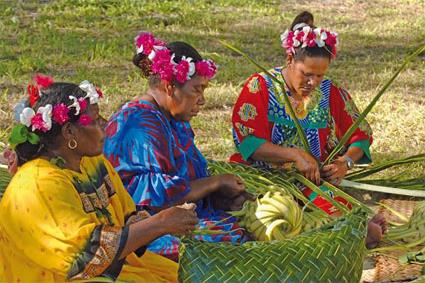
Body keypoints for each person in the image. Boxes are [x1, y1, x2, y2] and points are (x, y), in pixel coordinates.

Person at [0, 75, 198, 282]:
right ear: (69, 132)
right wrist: (160, 223)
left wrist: (160, 221)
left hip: (116, 268)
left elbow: (125, 216)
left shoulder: (90, 162)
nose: (105, 124)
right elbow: (83, 259)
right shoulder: (38, 184)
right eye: (95, 120)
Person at [230, 12, 386, 247]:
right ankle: (349, 233)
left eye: (320, 76)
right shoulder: (261, 87)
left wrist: (346, 163)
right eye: (307, 74)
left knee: (327, 205)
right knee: (267, 215)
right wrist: (295, 155)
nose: (313, 83)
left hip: (310, 185)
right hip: (260, 179)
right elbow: (249, 143)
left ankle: (349, 229)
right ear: (290, 57)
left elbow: (361, 137)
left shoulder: (330, 93)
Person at [103, 32, 250, 260]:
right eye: (196, 89)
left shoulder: (171, 119)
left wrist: (221, 195)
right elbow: (157, 201)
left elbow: (185, 181)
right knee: (230, 237)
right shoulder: (138, 125)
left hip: (176, 216)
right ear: (169, 86)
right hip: (142, 231)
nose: (202, 100)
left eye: (204, 90)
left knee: (250, 217)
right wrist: (216, 182)